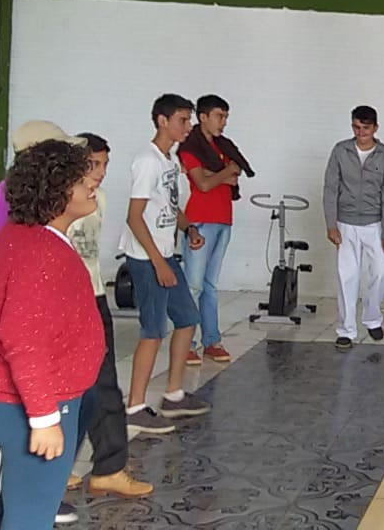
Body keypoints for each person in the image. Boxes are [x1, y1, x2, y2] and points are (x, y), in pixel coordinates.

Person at [0, 139, 105, 530]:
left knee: (29, 511)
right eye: (80, 179)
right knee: (31, 518)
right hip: (35, 403)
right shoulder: (39, 252)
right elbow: (21, 339)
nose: (92, 184)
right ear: (55, 191)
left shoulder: (28, 236)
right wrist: (44, 417)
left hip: (38, 396)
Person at [66, 132, 155, 497]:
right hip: (66, 302)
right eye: (93, 164)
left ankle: (109, 467)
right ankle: (53, 468)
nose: (100, 172)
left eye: (105, 164)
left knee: (104, 383)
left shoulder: (98, 198)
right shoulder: (60, 199)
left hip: (94, 296)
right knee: (64, 391)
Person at [121, 94, 212, 434]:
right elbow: (134, 217)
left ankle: (173, 395)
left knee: (187, 319)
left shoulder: (170, 160)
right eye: (183, 121)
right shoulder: (147, 161)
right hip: (148, 258)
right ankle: (135, 406)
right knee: (153, 330)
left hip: (165, 254)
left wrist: (188, 228)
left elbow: (169, 207)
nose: (188, 127)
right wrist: (158, 263)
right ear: (163, 121)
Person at [177, 94, 254, 365]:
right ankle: (187, 344)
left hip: (223, 220)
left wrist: (218, 173)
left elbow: (235, 172)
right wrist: (224, 173)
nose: (223, 122)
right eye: (219, 116)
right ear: (203, 117)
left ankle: (211, 340)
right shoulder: (190, 147)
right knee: (193, 285)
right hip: (200, 220)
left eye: (226, 117)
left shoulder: (223, 146)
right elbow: (203, 184)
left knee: (210, 286)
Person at [323, 105, 384, 351]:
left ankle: (372, 318)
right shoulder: (340, 151)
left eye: (365, 128)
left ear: (375, 128)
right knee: (347, 276)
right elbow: (330, 188)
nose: (360, 132)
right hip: (345, 223)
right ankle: (346, 330)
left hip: (374, 224)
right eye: (356, 127)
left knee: (382, 272)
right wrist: (331, 224)